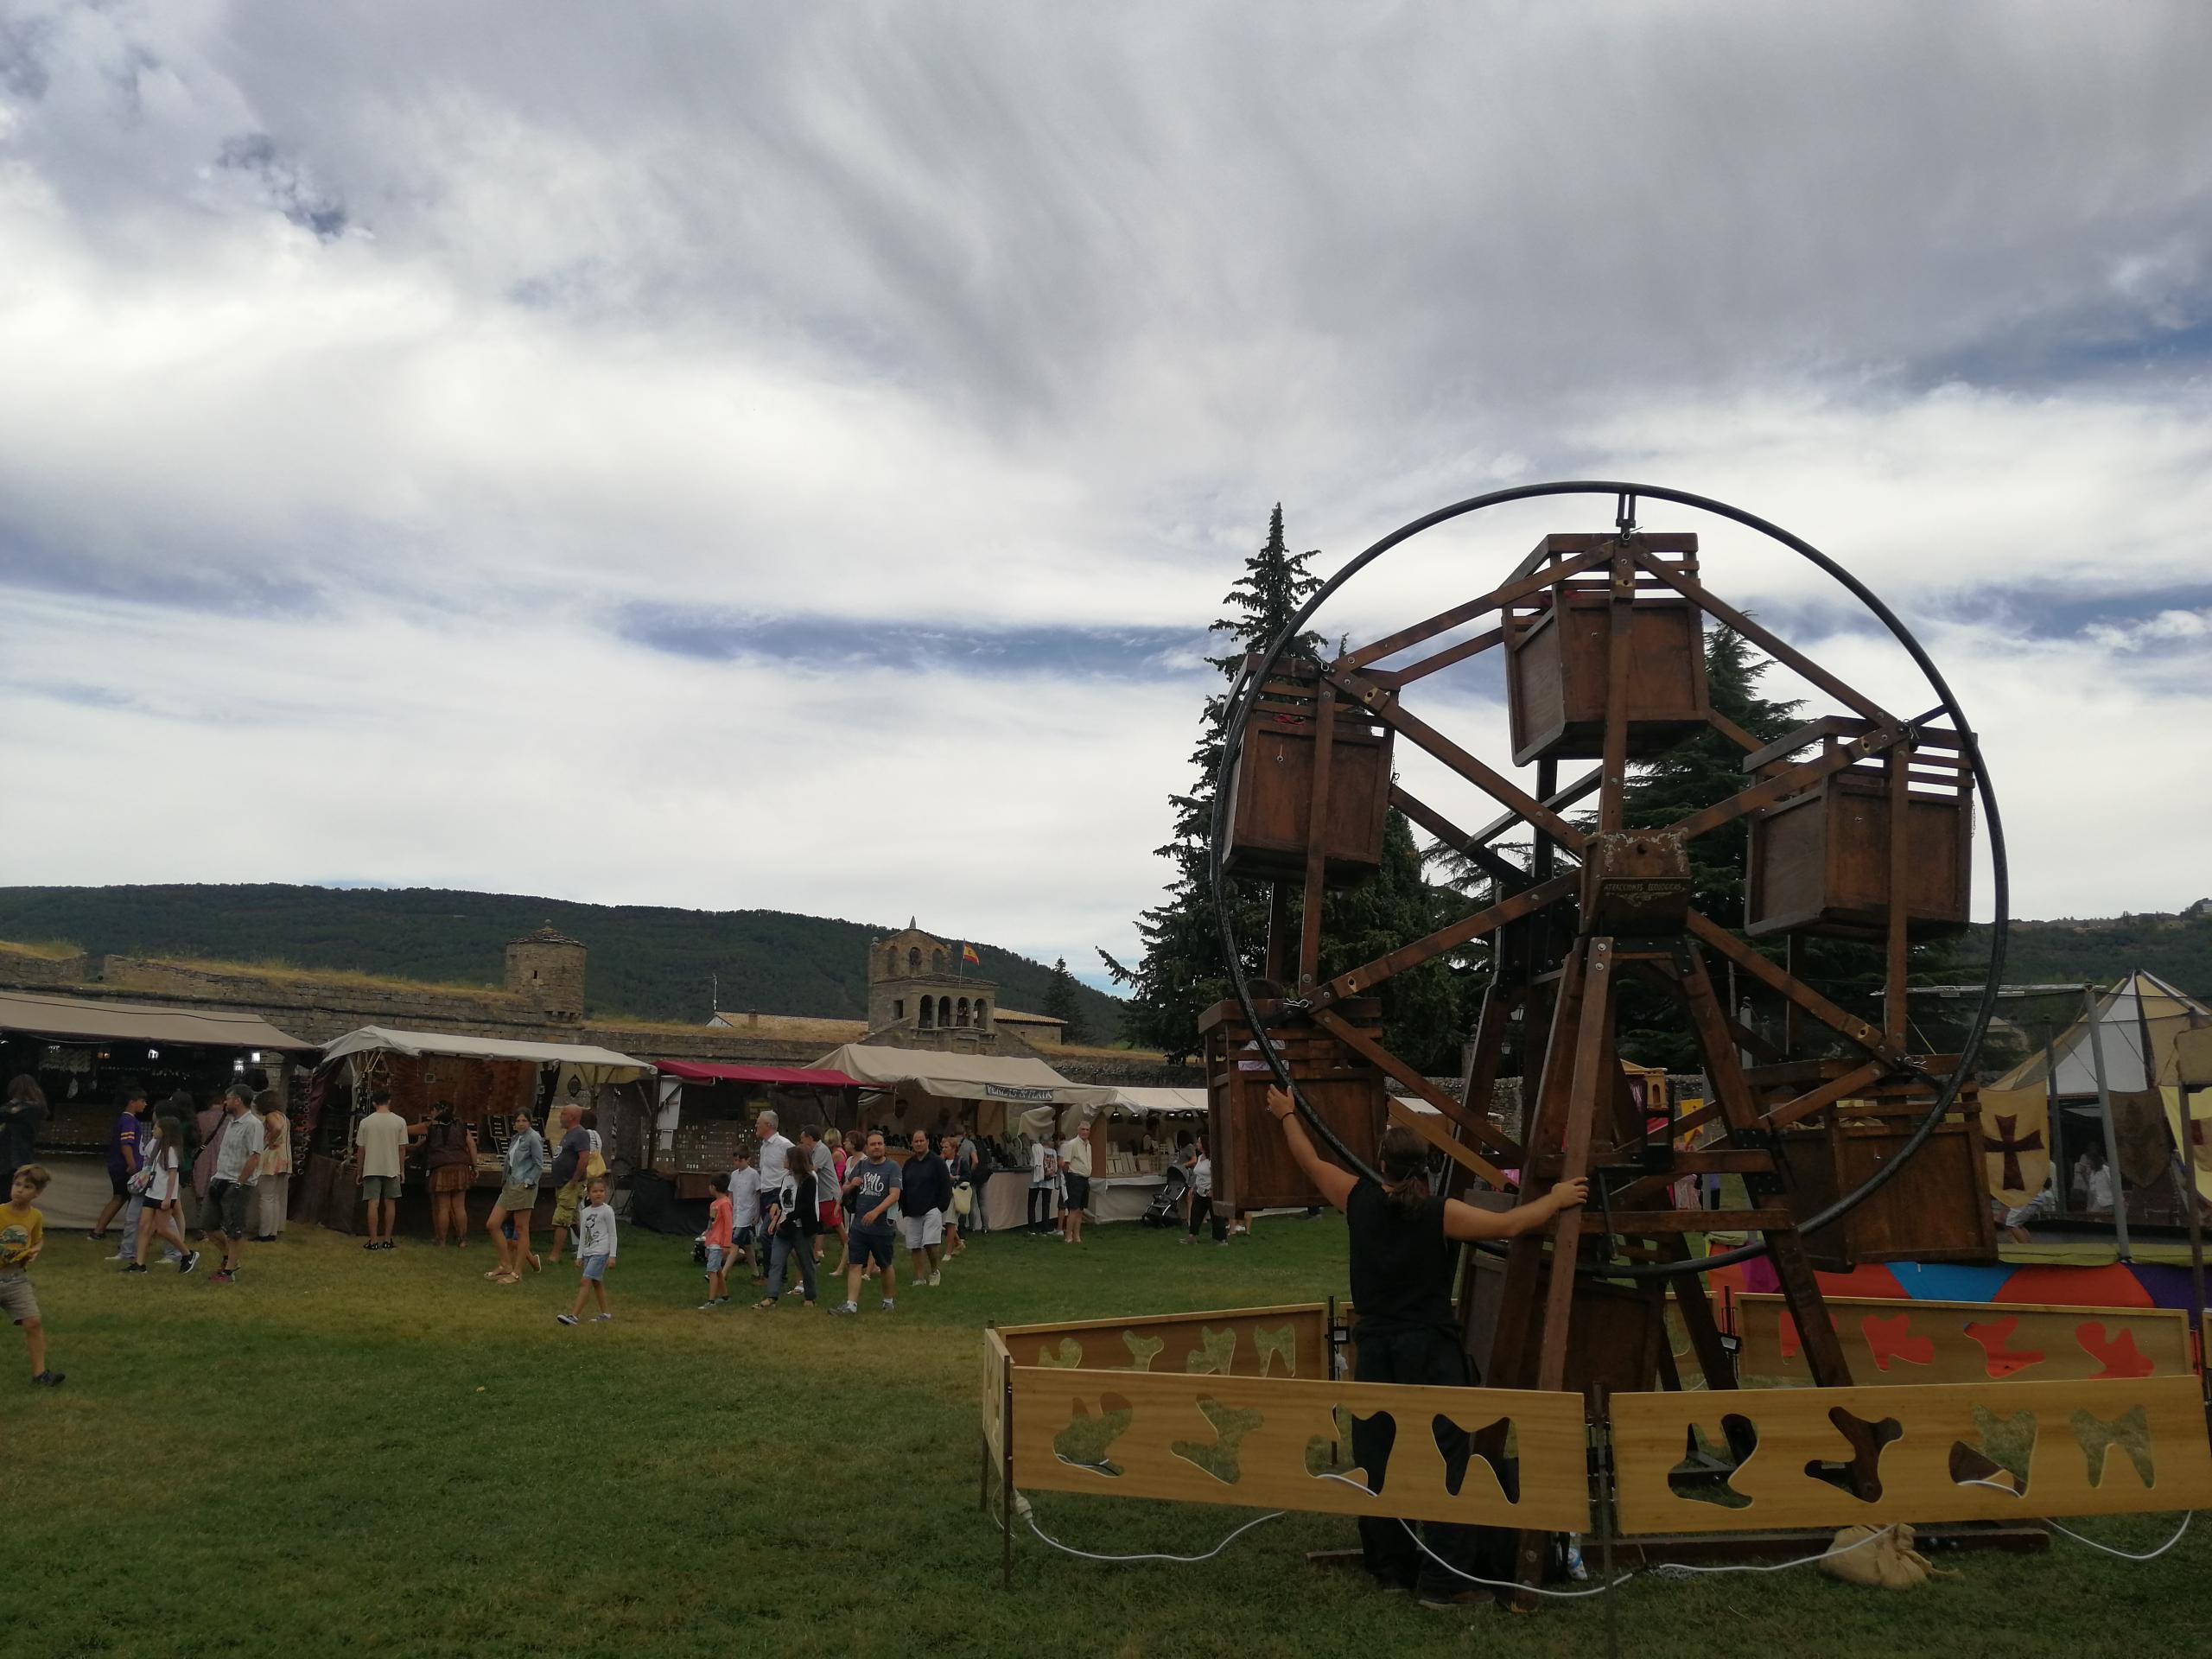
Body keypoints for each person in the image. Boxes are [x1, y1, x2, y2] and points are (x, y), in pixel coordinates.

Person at [1264, 1086, 1587, 1607]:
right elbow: (1511, 1225)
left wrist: (1286, 1115)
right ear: (1425, 1168)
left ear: (1380, 1164)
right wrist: (1556, 1199)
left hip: (1377, 1349)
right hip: (1430, 1351)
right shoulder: (1443, 1213)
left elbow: (1308, 1158)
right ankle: (1444, 1580)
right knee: (1448, 1461)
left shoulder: (1356, 1198)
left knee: (1377, 1457)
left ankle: (1390, 1566)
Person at [1, 1165, 62, 1386]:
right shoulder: (0, 1212)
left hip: (16, 1278)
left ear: (37, 1193)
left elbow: (37, 1239)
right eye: (17, 1185)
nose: (19, 1190)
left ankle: (40, 1375)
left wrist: (36, 1250)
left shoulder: (35, 1216)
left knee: (33, 1321)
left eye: (27, 1187)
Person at [831, 1129, 901, 1316]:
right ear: (867, 1148)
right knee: (855, 1264)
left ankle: (888, 1302)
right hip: (859, 1225)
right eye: (873, 1144)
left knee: (885, 1264)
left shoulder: (893, 1167)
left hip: (882, 1227)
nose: (877, 1147)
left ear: (884, 1146)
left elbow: (895, 1194)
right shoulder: (861, 1166)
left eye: (880, 1144)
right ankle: (851, 1304)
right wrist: (851, 1184)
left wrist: (876, 1211)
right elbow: (845, 1188)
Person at [203, 1084, 265, 1285]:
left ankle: (229, 1270)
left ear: (238, 1100)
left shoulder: (253, 1124)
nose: (225, 1102)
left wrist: (240, 1182)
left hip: (237, 1182)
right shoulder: (230, 1122)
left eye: (228, 1098)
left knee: (234, 1228)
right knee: (209, 1224)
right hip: (220, 1177)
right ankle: (228, 1257)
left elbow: (255, 1156)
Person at [127, 1116, 198, 1275]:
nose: (153, 1130)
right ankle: (140, 1264)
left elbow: (173, 1175)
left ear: (165, 1131)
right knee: (144, 1227)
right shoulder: (159, 1148)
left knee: (163, 1229)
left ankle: (187, 1254)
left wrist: (168, 1198)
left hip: (163, 1196)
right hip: (152, 1192)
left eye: (156, 1128)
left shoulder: (171, 1151)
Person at [755, 1141, 819, 1308]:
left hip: (801, 1229)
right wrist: (776, 1209)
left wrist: (786, 1219)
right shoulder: (786, 1178)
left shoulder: (809, 1180)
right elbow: (783, 1197)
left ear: (794, 1161)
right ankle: (772, 1296)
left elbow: (805, 1206)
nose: (783, 1160)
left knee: (806, 1263)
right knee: (776, 1261)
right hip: (785, 1229)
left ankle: (810, 1297)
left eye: (786, 1158)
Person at [486, 1109, 545, 1285]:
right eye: (518, 1121)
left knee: (521, 1228)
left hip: (523, 1187)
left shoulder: (533, 1138)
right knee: (493, 1224)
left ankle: (517, 1272)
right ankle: (505, 1264)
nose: (520, 1124)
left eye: (524, 1120)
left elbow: (538, 1164)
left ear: (530, 1121)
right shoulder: (516, 1138)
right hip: (509, 1185)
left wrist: (528, 1182)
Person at [91, 1084, 149, 1245]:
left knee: (120, 1197)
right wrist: (132, 1165)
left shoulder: (126, 1120)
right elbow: (126, 1144)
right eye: (142, 1101)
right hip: (125, 1167)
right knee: (131, 1201)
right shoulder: (129, 1121)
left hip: (118, 1165)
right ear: (132, 1102)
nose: (145, 1105)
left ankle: (99, 1231)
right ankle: (130, 1237)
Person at [556, 1176, 617, 1325]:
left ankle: (574, 1316)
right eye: (595, 1191)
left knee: (586, 1281)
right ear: (588, 1194)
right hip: (589, 1252)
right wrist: (580, 1255)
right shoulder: (585, 1212)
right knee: (597, 1282)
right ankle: (605, 1313)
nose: (598, 1194)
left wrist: (612, 1256)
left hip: (601, 1251)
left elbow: (613, 1234)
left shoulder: (608, 1211)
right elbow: (583, 1234)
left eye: (601, 1191)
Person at [353, 1089, 409, 1252]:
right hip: (392, 1167)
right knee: (390, 1203)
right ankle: (387, 1239)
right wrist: (402, 1170)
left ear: (374, 1103)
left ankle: (373, 1240)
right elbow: (402, 1149)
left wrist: (359, 1170)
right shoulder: (400, 1122)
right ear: (389, 1101)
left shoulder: (366, 1123)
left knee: (373, 1203)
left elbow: (361, 1150)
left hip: (371, 1167)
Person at [416, 1101, 477, 1247]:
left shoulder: (430, 1127)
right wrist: (475, 1166)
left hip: (440, 1167)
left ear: (439, 1111)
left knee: (443, 1207)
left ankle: (441, 1240)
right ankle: (462, 1240)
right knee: (460, 1207)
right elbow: (472, 1146)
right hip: (461, 1166)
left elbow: (405, 1130)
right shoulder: (462, 1127)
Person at [899, 1130, 951, 1287]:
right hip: (913, 1209)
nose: (919, 1143)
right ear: (912, 1143)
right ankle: (919, 1277)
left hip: (932, 1208)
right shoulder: (909, 1164)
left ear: (928, 1142)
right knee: (915, 1245)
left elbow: (945, 1186)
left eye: (921, 1140)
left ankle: (935, 1270)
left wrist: (941, 1207)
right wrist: (905, 1207)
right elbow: (904, 1187)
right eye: (916, 1141)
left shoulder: (937, 1162)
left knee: (930, 1242)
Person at [544, 1105, 591, 1267]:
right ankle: (590, 1249)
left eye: (563, 1113)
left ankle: (554, 1255)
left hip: (570, 1184)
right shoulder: (569, 1135)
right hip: (563, 1182)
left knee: (561, 1219)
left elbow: (584, 1158)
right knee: (572, 1221)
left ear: (572, 1116)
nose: (560, 1116)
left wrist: (574, 1179)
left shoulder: (580, 1134)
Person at [0, 1076, 45, 1196]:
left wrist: (13, 1102)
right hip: (15, 1156)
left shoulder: (28, 1109)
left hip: (13, 1158)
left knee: (8, 1193)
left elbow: (4, 1113)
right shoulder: (32, 1107)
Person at [190, 1091, 227, 1238]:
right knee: (220, 1195)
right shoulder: (229, 1119)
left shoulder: (199, 1117)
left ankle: (202, 1228)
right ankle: (220, 1227)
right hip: (223, 1158)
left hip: (202, 1157)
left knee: (201, 1194)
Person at [255, 1105, 293, 1243]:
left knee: (266, 1197)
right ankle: (273, 1231)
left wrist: (270, 1141)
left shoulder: (270, 1115)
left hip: (272, 1158)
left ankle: (264, 1233)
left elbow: (276, 1128)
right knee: (275, 1197)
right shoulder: (284, 1117)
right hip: (284, 1158)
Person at [725, 1147, 762, 1283]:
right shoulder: (734, 1175)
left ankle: (723, 1273)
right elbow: (731, 1194)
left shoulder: (753, 1175)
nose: (737, 1163)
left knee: (735, 1244)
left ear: (748, 1160)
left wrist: (757, 1214)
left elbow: (758, 1195)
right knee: (747, 1246)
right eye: (735, 1160)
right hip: (736, 1214)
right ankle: (756, 1273)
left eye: (740, 1160)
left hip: (748, 1215)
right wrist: (728, 1211)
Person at [803, 1127, 837, 1264]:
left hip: (829, 1193)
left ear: (810, 1138)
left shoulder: (821, 1150)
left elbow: (813, 1169)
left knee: (836, 1225)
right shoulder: (813, 1151)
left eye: (803, 1139)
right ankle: (815, 1255)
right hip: (821, 1194)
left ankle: (849, 1247)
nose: (801, 1142)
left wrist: (798, 1166)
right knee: (820, 1225)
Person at [1183, 1135, 1224, 1244]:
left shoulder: (1212, 1159)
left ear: (1204, 1144)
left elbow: (1217, 1176)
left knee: (1216, 1216)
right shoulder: (1200, 1157)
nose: (1197, 1144)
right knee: (1195, 1213)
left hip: (1211, 1192)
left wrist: (1213, 1189)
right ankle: (1192, 1236)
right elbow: (1198, 1175)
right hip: (1200, 1191)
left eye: (1199, 1142)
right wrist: (1193, 1188)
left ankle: (1221, 1239)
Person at [699, 1181, 735, 1309]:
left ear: (714, 1187)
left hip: (718, 1243)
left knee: (712, 1271)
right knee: (717, 1269)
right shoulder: (714, 1204)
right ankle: (725, 1296)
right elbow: (712, 1223)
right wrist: (706, 1235)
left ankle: (711, 1300)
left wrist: (726, 1244)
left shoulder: (725, 1203)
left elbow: (728, 1225)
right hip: (711, 1241)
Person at [1058, 1119, 1094, 1245]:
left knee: (1080, 1209)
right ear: (1078, 1130)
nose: (1085, 1132)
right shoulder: (1072, 1144)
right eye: (1083, 1129)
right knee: (1073, 1208)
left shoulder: (1088, 1145)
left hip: (1085, 1179)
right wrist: (1069, 1177)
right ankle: (1068, 1236)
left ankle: (1077, 1236)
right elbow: (1065, 1163)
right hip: (1074, 1178)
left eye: (1087, 1130)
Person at [942, 1133, 975, 1255]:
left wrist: (954, 1178)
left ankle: (948, 1252)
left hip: (955, 1194)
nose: (944, 1150)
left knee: (950, 1223)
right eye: (943, 1147)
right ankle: (959, 1243)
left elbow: (968, 1177)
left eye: (946, 1147)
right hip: (944, 1195)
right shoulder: (942, 1162)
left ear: (954, 1148)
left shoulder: (961, 1161)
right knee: (945, 1222)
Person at [1027, 1131, 1057, 1236]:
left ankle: (1032, 1228)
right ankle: (1045, 1227)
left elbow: (1032, 1164)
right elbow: (1056, 1167)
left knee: (1032, 1204)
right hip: (1048, 1181)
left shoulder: (1035, 1150)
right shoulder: (1053, 1152)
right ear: (1048, 1141)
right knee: (1046, 1204)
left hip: (1035, 1179)